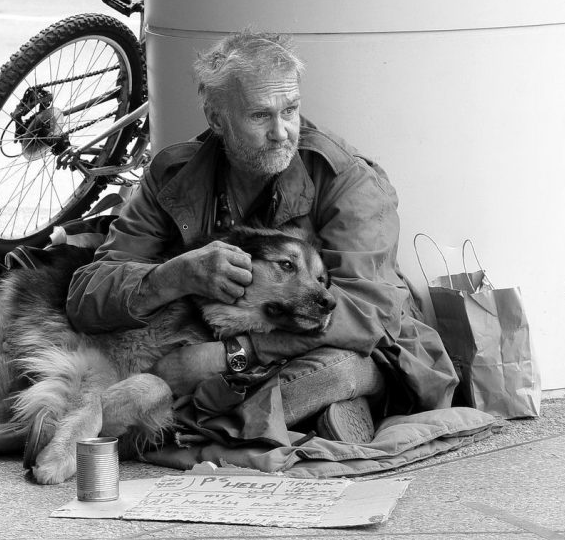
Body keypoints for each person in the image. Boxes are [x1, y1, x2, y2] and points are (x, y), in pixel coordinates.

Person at [66, 30, 458, 444]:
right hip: (198, 339)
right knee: (143, 366)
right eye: (260, 116)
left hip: (338, 343)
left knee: (339, 368)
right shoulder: (173, 176)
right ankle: (285, 421)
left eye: (290, 111)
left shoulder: (348, 180)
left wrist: (233, 354)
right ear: (218, 119)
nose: (281, 131)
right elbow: (86, 297)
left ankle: (233, 416)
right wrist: (175, 276)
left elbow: (367, 313)